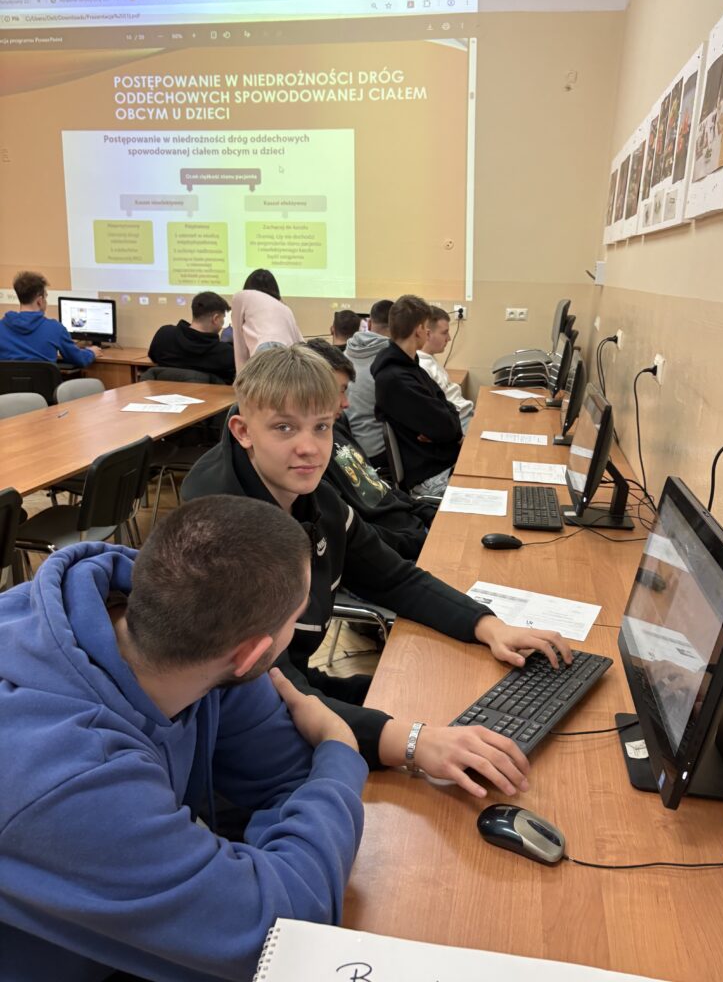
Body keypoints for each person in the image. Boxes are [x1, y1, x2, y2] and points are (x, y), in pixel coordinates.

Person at [0, 496, 366, 982]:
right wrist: (340, 753)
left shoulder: (185, 632)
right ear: (253, 654)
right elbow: (284, 933)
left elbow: (288, 777)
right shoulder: (67, 777)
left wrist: (279, 861)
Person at [182, 344, 570, 797]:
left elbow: (394, 578)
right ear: (243, 431)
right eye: (284, 427)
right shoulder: (221, 536)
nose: (309, 447)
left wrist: (489, 625)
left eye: (322, 426)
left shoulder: (314, 497)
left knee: (437, 701)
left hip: (299, 689)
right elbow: (272, 691)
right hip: (239, 739)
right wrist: (413, 743)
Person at [305, 338, 435, 560]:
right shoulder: (310, 460)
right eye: (340, 391)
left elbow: (376, 484)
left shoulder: (338, 425)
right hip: (398, 552)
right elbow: (356, 534)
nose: (346, 403)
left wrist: (427, 514)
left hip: (413, 531)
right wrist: (419, 541)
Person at [371, 295, 463, 498]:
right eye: (426, 327)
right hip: (430, 475)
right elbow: (449, 426)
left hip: (441, 462)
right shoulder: (396, 379)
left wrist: (446, 422)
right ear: (419, 330)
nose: (428, 333)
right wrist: (447, 423)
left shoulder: (411, 367)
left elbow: (448, 410)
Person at [0, 271, 101, 366]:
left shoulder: (2, 326)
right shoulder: (55, 329)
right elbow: (79, 359)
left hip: (7, 380)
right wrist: (91, 352)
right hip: (43, 380)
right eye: (46, 297)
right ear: (39, 301)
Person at [148, 289, 236, 383]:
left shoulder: (164, 335)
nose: (223, 323)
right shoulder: (226, 353)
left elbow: (153, 358)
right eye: (223, 318)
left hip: (164, 391)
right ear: (216, 318)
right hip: (206, 393)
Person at [344, 298, 393, 465]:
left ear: (369, 323)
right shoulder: (392, 361)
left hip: (347, 448)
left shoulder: (345, 354)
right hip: (378, 450)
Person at [230, 268, 303, 372]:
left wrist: (241, 377)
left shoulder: (241, 296)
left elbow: (239, 342)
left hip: (265, 348)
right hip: (289, 354)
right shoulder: (285, 308)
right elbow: (299, 341)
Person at [418, 305, 474, 433]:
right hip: (459, 423)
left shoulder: (429, 359)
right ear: (427, 334)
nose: (449, 338)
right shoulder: (422, 367)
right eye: (444, 333)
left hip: (464, 415)